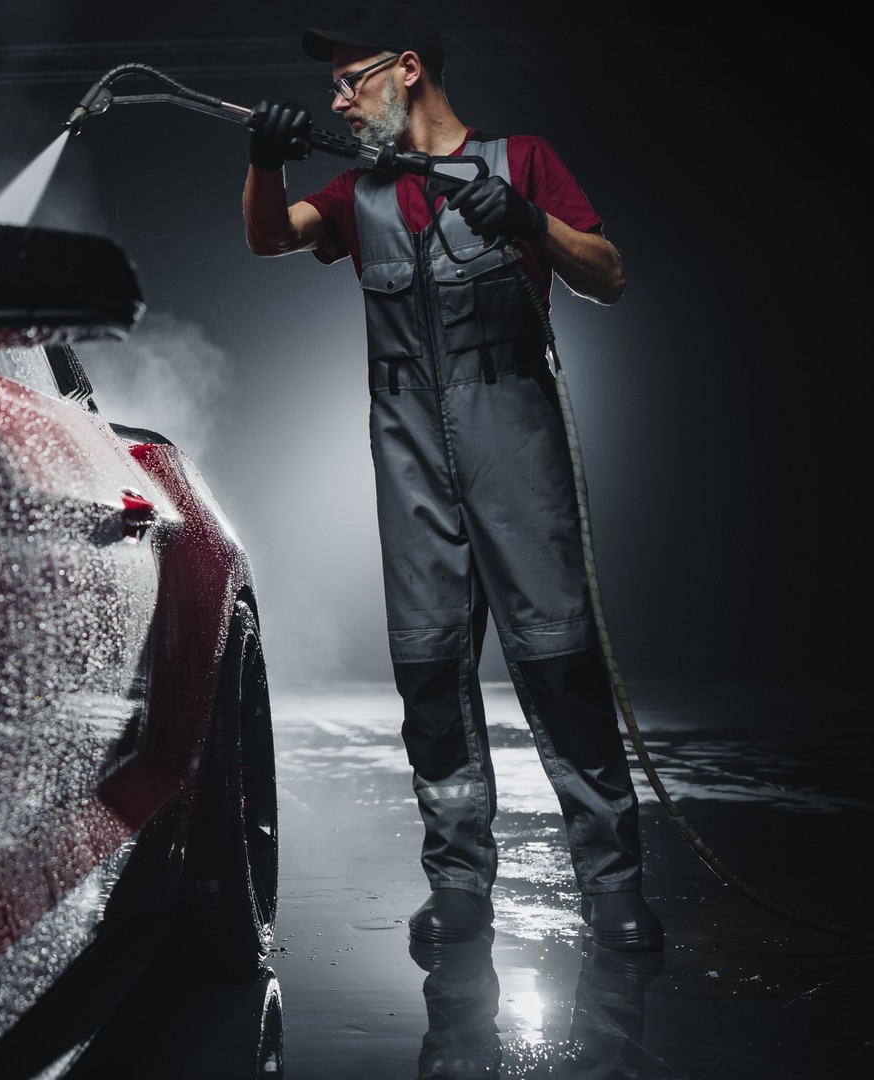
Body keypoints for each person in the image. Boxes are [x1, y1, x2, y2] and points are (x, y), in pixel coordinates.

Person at [240, 1, 663, 951]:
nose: (338, 100)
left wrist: (527, 222)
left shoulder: (521, 163)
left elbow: (610, 273)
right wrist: (264, 161)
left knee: (558, 663)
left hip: (514, 438)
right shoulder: (358, 195)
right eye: (333, 87)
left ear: (409, 71)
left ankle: (614, 888)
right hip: (409, 456)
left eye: (352, 80)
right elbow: (269, 237)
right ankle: (460, 886)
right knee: (429, 672)